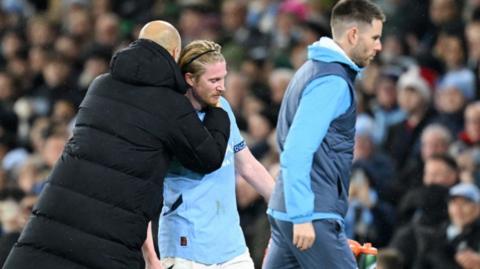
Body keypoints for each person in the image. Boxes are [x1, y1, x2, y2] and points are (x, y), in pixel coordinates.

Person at [3, 20, 231, 269]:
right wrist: (217, 111)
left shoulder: (100, 85)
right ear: (175, 55)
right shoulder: (170, 104)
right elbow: (208, 157)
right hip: (110, 239)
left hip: (52, 222)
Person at [264, 0, 384, 268]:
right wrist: (303, 215)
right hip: (310, 213)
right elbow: (296, 149)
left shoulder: (311, 70)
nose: (379, 46)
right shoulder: (333, 81)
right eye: (374, 37)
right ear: (353, 35)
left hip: (286, 209)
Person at [144, 40, 275, 269]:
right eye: (214, 80)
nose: (222, 86)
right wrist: (150, 257)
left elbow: (248, 166)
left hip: (232, 248)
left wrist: (285, 209)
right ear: (190, 79)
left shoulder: (222, 107)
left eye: (223, 78)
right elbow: (144, 189)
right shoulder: (165, 120)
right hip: (185, 250)